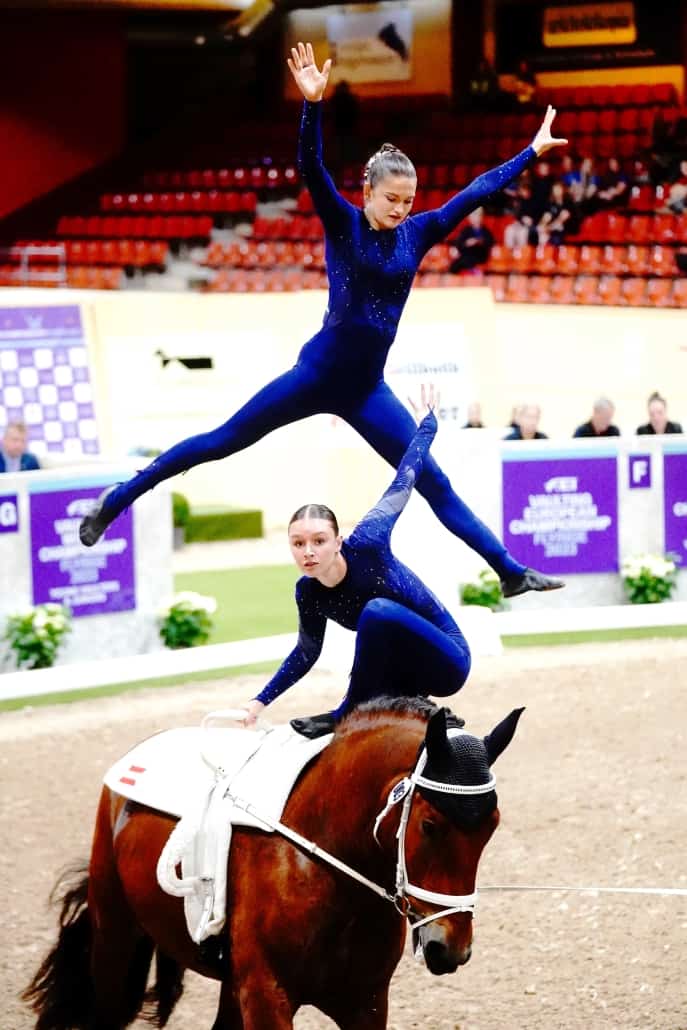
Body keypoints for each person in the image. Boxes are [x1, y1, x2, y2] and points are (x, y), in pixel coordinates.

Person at [80, 41, 567, 599]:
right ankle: (117, 499)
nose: (401, 208)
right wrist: (312, 105)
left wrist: (531, 151)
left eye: (408, 199)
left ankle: (509, 571)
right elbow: (310, 167)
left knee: (431, 479)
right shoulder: (344, 223)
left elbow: (476, 191)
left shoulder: (420, 231)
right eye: (391, 198)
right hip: (314, 376)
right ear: (367, 191)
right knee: (220, 441)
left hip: (366, 391)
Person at [243, 409, 476, 738]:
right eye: (298, 543)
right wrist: (258, 702)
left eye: (319, 541)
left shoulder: (368, 542)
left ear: (338, 542)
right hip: (401, 679)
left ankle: (345, 713)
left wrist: (427, 428)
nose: (308, 551)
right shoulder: (307, 592)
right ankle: (402, 707)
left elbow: (403, 481)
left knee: (376, 611)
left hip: (448, 662)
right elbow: (306, 652)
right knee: (375, 622)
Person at [449, 208, 494, 272]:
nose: (477, 218)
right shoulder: (466, 230)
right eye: (475, 216)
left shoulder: (486, 231)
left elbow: (490, 242)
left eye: (479, 215)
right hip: (467, 254)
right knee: (455, 265)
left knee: (467, 260)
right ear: (470, 218)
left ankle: (474, 271)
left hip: (480, 255)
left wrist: (479, 241)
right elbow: (459, 243)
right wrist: (467, 243)